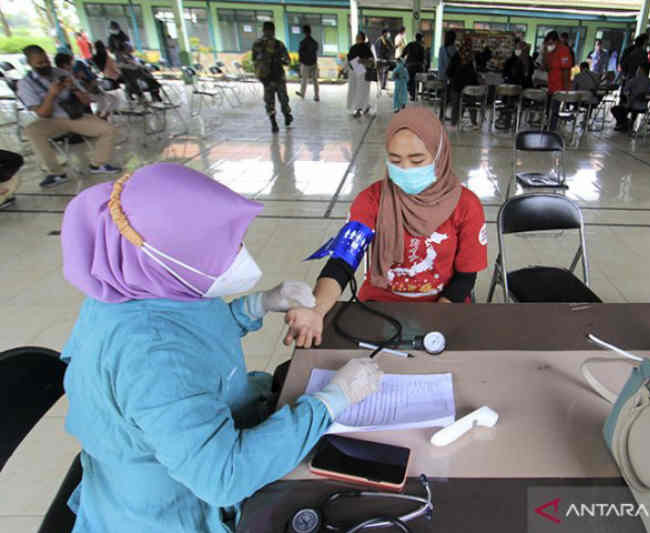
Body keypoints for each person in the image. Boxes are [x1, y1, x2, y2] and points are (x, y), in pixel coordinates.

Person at [58, 162, 383, 533]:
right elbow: (224, 477)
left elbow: (193, 334)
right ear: (170, 258)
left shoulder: (136, 282)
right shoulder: (153, 359)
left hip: (158, 461)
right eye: (228, 247)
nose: (240, 253)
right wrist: (333, 400)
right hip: (172, 511)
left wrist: (257, 305)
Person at [284, 107, 488, 349]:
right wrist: (317, 310)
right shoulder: (371, 201)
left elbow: (465, 277)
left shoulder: (466, 205)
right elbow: (342, 262)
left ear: (440, 154)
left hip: (443, 306)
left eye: (417, 160)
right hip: (378, 307)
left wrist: (434, 321)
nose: (405, 170)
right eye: (395, 160)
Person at [17, 45, 120, 188]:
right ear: (30, 64)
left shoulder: (61, 73)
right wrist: (52, 94)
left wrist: (74, 88)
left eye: (46, 60)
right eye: (40, 63)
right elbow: (43, 113)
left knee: (109, 129)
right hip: (50, 120)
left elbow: (85, 101)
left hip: (74, 116)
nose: (45, 65)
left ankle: (97, 164)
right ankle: (56, 173)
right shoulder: (26, 83)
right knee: (32, 131)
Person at [252, 21, 292, 133]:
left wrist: (260, 75)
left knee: (269, 101)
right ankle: (287, 116)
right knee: (283, 99)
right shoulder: (279, 44)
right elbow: (288, 61)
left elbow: (254, 61)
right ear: (274, 31)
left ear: (263, 30)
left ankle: (274, 123)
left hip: (266, 78)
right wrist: (280, 60)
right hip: (278, 76)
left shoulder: (257, 44)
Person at [55, 53, 120, 120]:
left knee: (107, 99)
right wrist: (91, 85)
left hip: (86, 95)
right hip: (81, 99)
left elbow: (82, 87)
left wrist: (81, 79)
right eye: (72, 61)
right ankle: (99, 118)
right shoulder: (66, 77)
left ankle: (100, 117)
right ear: (65, 65)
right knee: (110, 99)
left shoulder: (68, 74)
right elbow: (82, 93)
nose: (73, 63)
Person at [543, 31, 573, 130]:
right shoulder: (550, 52)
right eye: (548, 44)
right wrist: (545, 54)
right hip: (551, 86)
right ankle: (547, 127)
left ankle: (551, 130)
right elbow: (546, 67)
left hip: (560, 87)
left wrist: (565, 90)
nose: (549, 45)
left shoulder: (564, 51)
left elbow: (566, 70)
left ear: (556, 42)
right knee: (548, 110)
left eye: (551, 43)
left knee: (554, 110)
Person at [448, 38, 480, 127]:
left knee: (456, 104)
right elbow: (475, 73)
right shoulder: (472, 57)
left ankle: (454, 122)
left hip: (457, 85)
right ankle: (474, 122)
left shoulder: (456, 56)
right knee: (471, 104)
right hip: (470, 86)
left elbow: (449, 71)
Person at [611, 63, 650, 132]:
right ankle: (629, 123)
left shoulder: (634, 80)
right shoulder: (649, 82)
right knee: (631, 108)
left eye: (638, 69)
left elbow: (625, 91)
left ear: (641, 70)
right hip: (644, 107)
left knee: (615, 109)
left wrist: (629, 98)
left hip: (632, 104)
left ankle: (625, 123)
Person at [347, 31, 374, 117]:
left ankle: (360, 107)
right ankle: (361, 107)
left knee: (357, 89)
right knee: (361, 89)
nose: (356, 38)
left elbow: (370, 61)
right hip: (357, 68)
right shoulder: (362, 47)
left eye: (358, 37)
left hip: (356, 68)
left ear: (361, 38)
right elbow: (371, 60)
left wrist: (361, 61)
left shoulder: (361, 47)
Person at [297, 25, 319, 101]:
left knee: (304, 79)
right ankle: (316, 96)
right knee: (315, 80)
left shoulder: (302, 42)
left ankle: (302, 94)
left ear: (304, 32)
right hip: (313, 63)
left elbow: (300, 53)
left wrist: (300, 63)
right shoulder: (314, 42)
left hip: (306, 63)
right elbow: (315, 51)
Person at [402, 33, 426, 101]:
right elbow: (422, 58)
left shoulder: (410, 44)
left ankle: (412, 94)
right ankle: (414, 95)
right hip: (418, 67)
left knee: (410, 80)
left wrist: (403, 59)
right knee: (416, 81)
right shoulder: (421, 47)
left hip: (409, 66)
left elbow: (403, 53)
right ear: (421, 39)